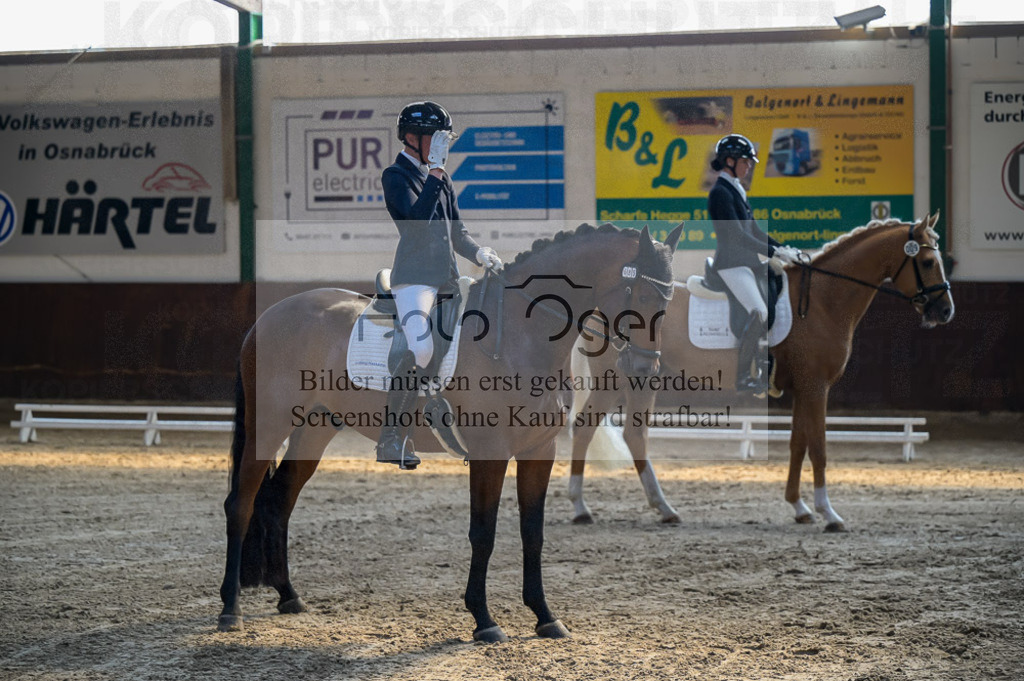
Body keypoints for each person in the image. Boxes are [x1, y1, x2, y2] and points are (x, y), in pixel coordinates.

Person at [376, 101, 503, 469]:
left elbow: (457, 231)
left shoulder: (442, 179)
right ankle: (391, 438)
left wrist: (479, 254)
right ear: (412, 138)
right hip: (414, 279)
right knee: (419, 349)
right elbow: (415, 226)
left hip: (448, 277)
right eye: (435, 137)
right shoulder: (395, 176)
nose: (441, 146)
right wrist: (434, 172)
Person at [707, 133, 801, 393]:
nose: (750, 166)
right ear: (729, 160)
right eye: (746, 161)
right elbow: (737, 235)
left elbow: (756, 231)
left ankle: (767, 365)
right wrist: (772, 252)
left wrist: (783, 249)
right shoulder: (720, 193)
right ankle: (742, 377)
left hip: (747, 263)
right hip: (731, 265)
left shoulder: (736, 190)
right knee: (758, 312)